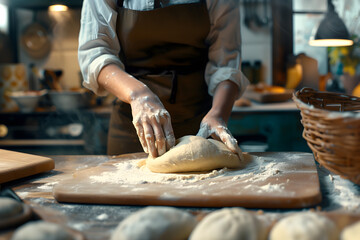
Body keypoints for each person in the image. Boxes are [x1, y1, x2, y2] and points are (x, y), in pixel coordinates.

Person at [78, 0, 249, 158]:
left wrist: (218, 114)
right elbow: (94, 54)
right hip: (132, 128)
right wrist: (138, 95)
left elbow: (226, 64)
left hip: (199, 126)